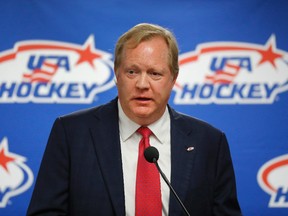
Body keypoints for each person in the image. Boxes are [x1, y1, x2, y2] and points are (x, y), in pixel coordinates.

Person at [27, 23, 242, 216]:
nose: (142, 84)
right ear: (116, 75)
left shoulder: (209, 142)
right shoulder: (71, 134)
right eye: (132, 71)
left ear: (173, 79)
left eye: (155, 73)